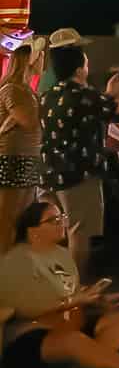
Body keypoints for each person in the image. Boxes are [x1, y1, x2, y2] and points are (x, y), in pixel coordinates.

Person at [0, 199, 119, 368]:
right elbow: (23, 308)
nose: (61, 222)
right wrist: (74, 300)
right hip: (37, 332)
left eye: (62, 217)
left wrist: (98, 300)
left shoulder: (61, 254)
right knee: (74, 340)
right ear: (33, 231)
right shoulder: (18, 259)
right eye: (53, 220)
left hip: (71, 324)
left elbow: (74, 293)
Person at [40, 41, 119, 273]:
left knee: (51, 232)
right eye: (86, 62)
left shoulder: (49, 95)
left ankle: (50, 280)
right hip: (79, 174)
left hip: (49, 174)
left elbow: (96, 106)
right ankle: (74, 288)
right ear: (79, 69)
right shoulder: (83, 95)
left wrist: (110, 91)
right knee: (79, 232)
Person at [0, 42, 44, 252]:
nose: (43, 60)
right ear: (29, 60)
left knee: (23, 219)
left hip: (27, 157)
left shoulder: (26, 90)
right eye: (39, 56)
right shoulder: (13, 89)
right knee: (8, 219)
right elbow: (29, 120)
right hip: (13, 158)